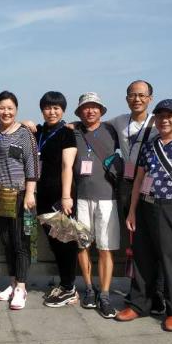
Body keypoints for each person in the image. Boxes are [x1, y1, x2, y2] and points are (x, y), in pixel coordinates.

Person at [116, 99, 172, 332]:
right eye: (160, 116)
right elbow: (139, 178)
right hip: (145, 206)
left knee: (171, 260)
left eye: (170, 116)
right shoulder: (150, 145)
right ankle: (139, 304)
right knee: (142, 257)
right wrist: (132, 211)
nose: (164, 120)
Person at [0, 91, 39, 310]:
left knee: (21, 241)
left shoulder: (24, 133)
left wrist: (30, 193)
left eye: (10, 108)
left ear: (16, 109)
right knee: (6, 241)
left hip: (20, 194)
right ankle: (13, 282)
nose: (5, 112)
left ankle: (21, 287)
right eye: (1, 108)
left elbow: (32, 164)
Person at [73, 92, 121, 319]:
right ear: (79, 112)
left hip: (108, 198)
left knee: (105, 247)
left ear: (101, 110)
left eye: (94, 107)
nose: (90, 110)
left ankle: (105, 294)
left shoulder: (112, 130)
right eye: (86, 107)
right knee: (82, 245)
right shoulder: (73, 131)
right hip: (81, 198)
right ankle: (89, 289)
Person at [34, 92, 79, 307]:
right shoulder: (39, 132)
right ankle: (64, 284)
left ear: (63, 110)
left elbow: (67, 166)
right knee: (54, 242)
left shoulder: (66, 133)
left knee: (65, 243)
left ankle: (69, 288)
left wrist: (66, 196)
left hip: (60, 197)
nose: (52, 112)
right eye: (47, 108)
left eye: (56, 108)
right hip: (41, 195)